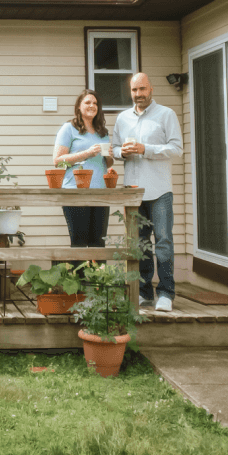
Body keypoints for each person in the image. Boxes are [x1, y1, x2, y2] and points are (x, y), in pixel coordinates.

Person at [112, 73, 183, 312]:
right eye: (134, 90)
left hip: (160, 190)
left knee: (163, 243)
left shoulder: (166, 114)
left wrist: (145, 149)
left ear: (150, 89)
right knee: (140, 244)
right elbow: (113, 148)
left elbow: (176, 148)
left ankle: (165, 293)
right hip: (133, 191)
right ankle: (143, 292)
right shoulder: (122, 119)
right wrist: (122, 153)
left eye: (142, 89)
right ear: (130, 92)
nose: (138, 94)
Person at [53, 89, 114, 250]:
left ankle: (98, 276)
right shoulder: (68, 128)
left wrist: (109, 157)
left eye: (95, 103)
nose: (92, 105)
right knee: (79, 243)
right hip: (75, 192)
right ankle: (78, 276)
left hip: (100, 193)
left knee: (98, 244)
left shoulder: (103, 132)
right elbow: (58, 162)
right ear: (79, 107)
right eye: (87, 102)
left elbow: (104, 164)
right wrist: (87, 153)